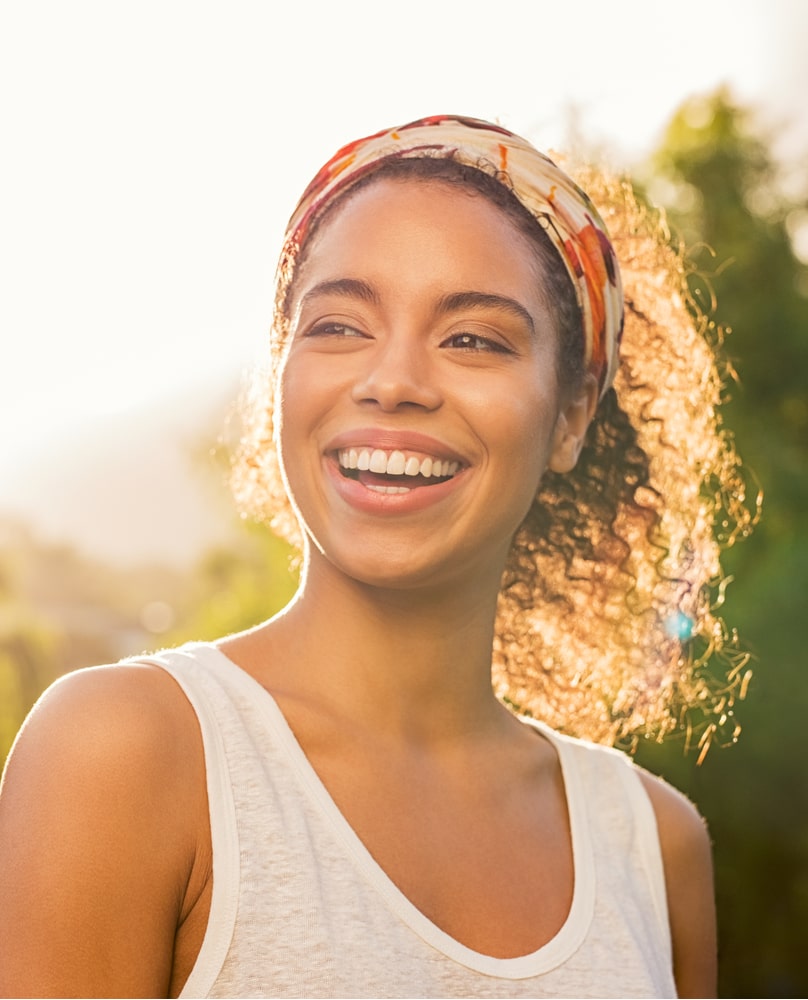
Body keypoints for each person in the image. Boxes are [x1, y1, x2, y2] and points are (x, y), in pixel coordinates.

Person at [0, 115, 754, 998]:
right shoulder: (127, 753)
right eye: (339, 325)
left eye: (473, 338)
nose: (393, 381)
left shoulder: (654, 848)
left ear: (574, 412)